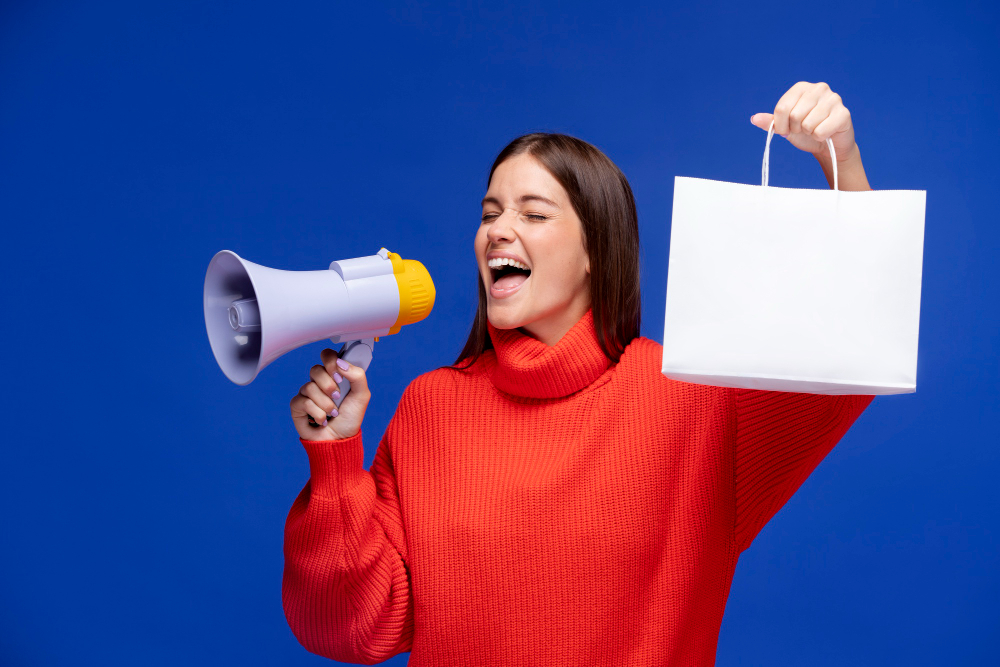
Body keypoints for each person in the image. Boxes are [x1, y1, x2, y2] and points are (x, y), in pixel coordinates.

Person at [284, 81, 875, 666]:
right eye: (490, 213)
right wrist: (334, 465)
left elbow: (858, 343)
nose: (498, 230)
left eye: (533, 213)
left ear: (596, 249)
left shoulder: (689, 400)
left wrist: (838, 160)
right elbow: (353, 629)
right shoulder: (430, 406)